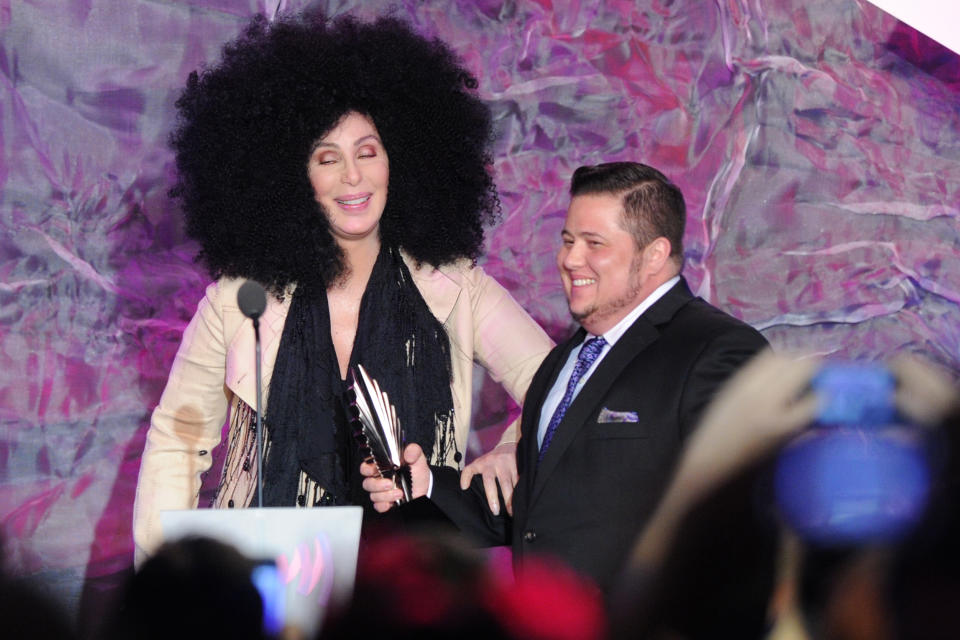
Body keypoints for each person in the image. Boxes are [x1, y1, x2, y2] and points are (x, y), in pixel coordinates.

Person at [132, 12, 553, 564]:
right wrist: (165, 585)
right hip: (272, 576)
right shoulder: (239, 301)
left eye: (368, 151)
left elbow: (561, 390)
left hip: (412, 580)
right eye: (327, 158)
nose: (353, 177)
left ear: (399, 159)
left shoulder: (454, 286)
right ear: (291, 177)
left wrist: (510, 449)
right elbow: (178, 441)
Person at [363, 161, 769, 594]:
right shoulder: (566, 362)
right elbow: (533, 508)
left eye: (594, 243)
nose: (571, 259)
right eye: (568, 240)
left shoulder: (718, 350)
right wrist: (422, 485)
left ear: (654, 255)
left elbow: (739, 527)